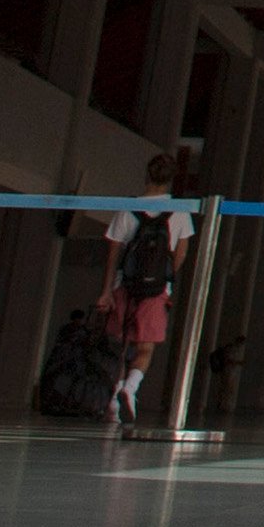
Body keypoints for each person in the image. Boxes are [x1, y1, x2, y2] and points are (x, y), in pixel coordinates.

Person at [97, 157, 185, 440]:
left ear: (147, 175)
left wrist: (107, 290)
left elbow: (113, 253)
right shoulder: (180, 211)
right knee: (146, 347)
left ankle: (114, 399)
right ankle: (131, 388)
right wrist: (164, 282)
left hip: (126, 286)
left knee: (120, 345)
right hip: (156, 291)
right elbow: (179, 255)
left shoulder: (128, 208)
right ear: (171, 179)